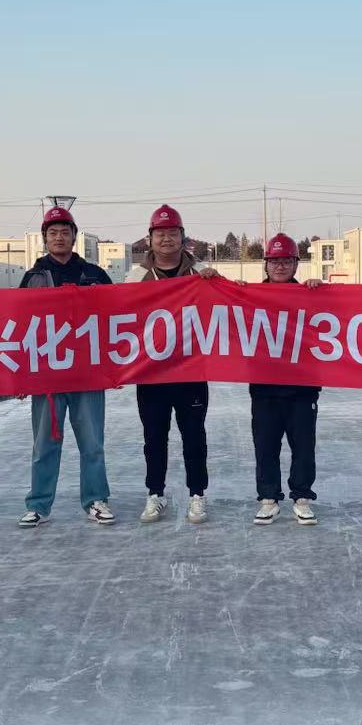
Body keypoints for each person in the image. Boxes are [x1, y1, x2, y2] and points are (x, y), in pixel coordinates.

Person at [18, 206, 115, 527]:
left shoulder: (95, 275)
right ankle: (38, 504)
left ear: (74, 237)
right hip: (47, 375)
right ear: (44, 239)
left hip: (87, 373)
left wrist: (114, 367)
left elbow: (118, 316)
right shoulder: (32, 278)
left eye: (65, 232)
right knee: (44, 444)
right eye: (53, 233)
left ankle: (96, 499)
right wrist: (21, 374)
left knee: (92, 443)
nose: (59, 238)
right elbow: (19, 326)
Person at [125, 203, 220, 524]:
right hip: (152, 374)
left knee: (194, 437)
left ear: (183, 237)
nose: (166, 239)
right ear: (149, 239)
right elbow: (117, 318)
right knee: (154, 438)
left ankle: (197, 494)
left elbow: (229, 308)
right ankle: (155, 493)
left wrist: (217, 282)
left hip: (191, 372)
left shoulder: (201, 274)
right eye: (160, 233)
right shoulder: (136, 277)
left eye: (172, 233)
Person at [249, 232, 323, 526]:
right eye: (274, 261)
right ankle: (268, 499)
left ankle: (302, 498)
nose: (280, 266)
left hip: (302, 389)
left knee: (303, 448)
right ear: (266, 264)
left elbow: (334, 316)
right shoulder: (249, 296)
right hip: (264, 388)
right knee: (266, 447)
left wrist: (321, 291)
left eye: (286, 261)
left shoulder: (310, 294)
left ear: (295, 264)